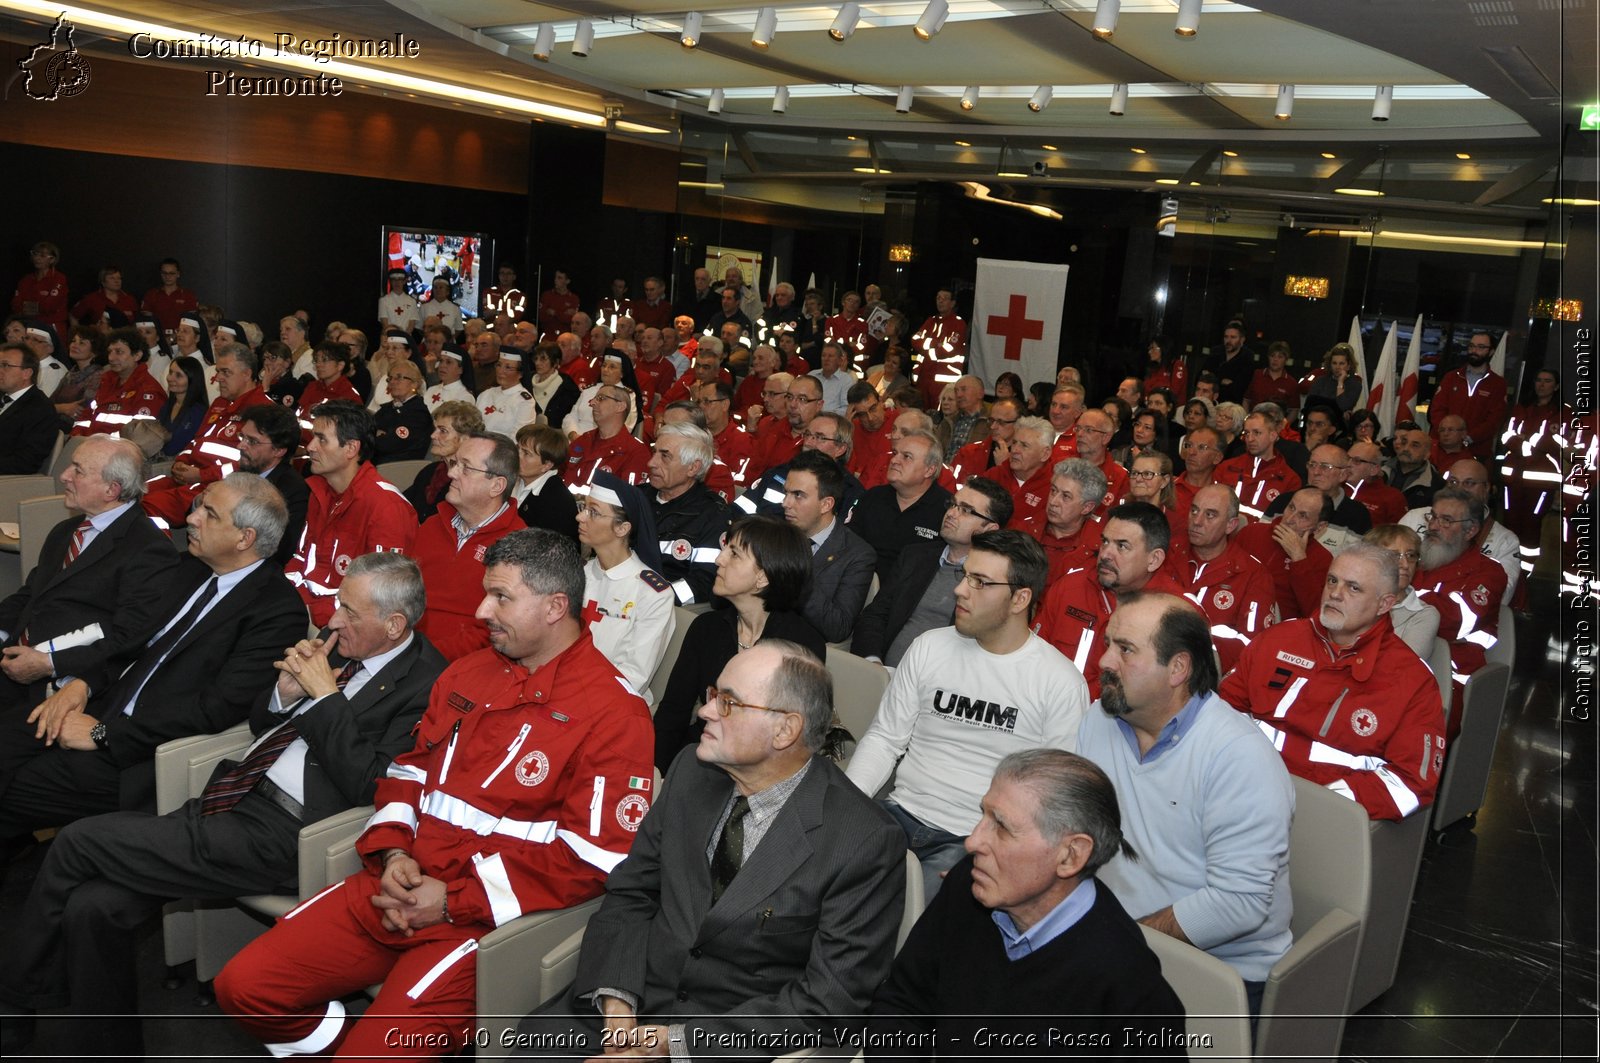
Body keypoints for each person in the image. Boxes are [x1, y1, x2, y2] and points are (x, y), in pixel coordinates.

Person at [217, 529, 654, 1059]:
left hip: (482, 919)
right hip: (400, 879)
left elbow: (595, 859)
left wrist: (452, 900)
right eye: (485, 592)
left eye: (502, 597)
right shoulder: (466, 673)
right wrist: (395, 849)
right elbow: (408, 769)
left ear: (555, 607)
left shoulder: (615, 713)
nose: (481, 610)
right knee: (244, 988)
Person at [0, 554, 445, 1056]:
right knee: (94, 905)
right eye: (338, 603)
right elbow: (260, 724)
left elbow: (372, 785)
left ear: (394, 624)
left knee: (79, 839)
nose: (333, 618)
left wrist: (324, 700)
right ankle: (107, 1044)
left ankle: (17, 1000)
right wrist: (284, 693)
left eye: (349, 611)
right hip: (233, 795)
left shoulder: (428, 685)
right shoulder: (343, 646)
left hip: (287, 832)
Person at [515, 639, 906, 1061]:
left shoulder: (864, 840)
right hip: (631, 1002)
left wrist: (671, 1044)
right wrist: (617, 1005)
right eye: (713, 695)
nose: (705, 711)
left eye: (730, 703)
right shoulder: (691, 771)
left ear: (785, 730)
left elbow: (829, 1003)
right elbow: (633, 892)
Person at [0, 473, 307, 829]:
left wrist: (103, 735)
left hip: (140, 755)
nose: (191, 519)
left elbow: (213, 710)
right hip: (100, 706)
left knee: (17, 789)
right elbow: (130, 642)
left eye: (210, 513)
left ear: (244, 538)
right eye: (198, 507)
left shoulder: (277, 612)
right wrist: (81, 684)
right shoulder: (189, 568)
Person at [865, 749, 1186, 1056]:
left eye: (1001, 827)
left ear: (1071, 855)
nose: (973, 841)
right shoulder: (971, 884)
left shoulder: (1129, 987)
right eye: (983, 815)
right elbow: (902, 1002)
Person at [1076, 593, 1293, 1013]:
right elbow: (1074, 825)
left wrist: (1121, 943)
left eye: (1125, 650)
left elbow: (1240, 903)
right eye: (1108, 644)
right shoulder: (1098, 721)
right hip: (1113, 936)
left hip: (1215, 967)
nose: (1104, 661)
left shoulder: (1239, 757)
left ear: (1177, 669)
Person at [847, 527, 1086, 897]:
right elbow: (884, 739)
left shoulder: (1059, 683)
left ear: (1020, 598)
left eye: (979, 582)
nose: (960, 590)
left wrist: (996, 854)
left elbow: (1051, 798)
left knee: (910, 917)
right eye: (965, 576)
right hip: (897, 813)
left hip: (973, 839)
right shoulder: (929, 647)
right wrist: (847, 805)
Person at [1221, 544, 1447, 820]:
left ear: (1385, 604)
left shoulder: (1412, 681)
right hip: (1239, 790)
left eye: (1354, 588)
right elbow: (1223, 713)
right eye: (1332, 581)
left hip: (1323, 821)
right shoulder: (1278, 638)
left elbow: (1413, 785)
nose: (1335, 594)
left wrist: (1327, 802)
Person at [0, 436, 182, 711]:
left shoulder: (149, 549)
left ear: (111, 489)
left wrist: (48, 663)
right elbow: (30, 595)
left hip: (59, 684)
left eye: (78, 470)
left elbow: (127, 638)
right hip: (13, 661)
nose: (63, 476)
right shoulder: (66, 530)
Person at [652, 517, 825, 771]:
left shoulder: (800, 647)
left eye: (734, 554)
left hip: (758, 772)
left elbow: (785, 743)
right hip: (702, 756)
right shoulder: (707, 628)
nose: (718, 560)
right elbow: (673, 712)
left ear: (763, 578)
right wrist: (655, 774)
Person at [852, 479, 1013, 667]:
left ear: (990, 529)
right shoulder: (915, 556)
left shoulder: (992, 581)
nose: (952, 513)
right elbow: (874, 616)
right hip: (884, 673)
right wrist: (873, 662)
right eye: (953, 504)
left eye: (966, 510)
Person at [285, 401, 420, 626]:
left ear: (351, 449)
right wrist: (284, 598)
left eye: (322, 439)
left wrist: (305, 612)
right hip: (302, 612)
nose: (310, 447)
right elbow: (301, 560)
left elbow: (379, 598)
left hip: (343, 627)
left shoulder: (386, 507)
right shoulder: (321, 491)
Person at [1033, 502, 1184, 699]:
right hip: (1048, 709)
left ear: (1154, 559)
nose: (1105, 554)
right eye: (1105, 541)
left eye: (1122, 546)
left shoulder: (1177, 613)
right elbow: (1032, 658)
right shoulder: (1069, 588)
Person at [412, 431, 526, 660]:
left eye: (466, 467)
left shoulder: (519, 547)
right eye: (454, 463)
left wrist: (420, 658)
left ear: (496, 486)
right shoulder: (432, 526)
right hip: (405, 650)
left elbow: (496, 634)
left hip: (458, 669)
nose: (451, 473)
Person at [576, 472, 676, 703]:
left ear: (622, 529)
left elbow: (634, 676)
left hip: (611, 704)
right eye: (584, 507)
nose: (580, 516)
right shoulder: (578, 573)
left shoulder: (652, 593)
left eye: (593, 512)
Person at [1414, 487, 1507, 727]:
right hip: (1402, 659)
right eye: (1433, 516)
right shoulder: (1415, 558)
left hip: (1450, 675)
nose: (1433, 526)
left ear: (1471, 530)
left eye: (1446, 520)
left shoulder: (1489, 572)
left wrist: (1402, 598)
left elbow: (1452, 621)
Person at [1181, 484, 1279, 673]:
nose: (1197, 521)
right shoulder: (1168, 556)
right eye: (1194, 510)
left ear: (1231, 525)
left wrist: (1193, 653)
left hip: (1210, 674)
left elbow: (1253, 645)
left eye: (1210, 515)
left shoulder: (1252, 574)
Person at [780, 451, 876, 644]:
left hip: (803, 651)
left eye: (798, 495)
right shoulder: (775, 533)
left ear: (826, 504)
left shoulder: (857, 555)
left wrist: (795, 570)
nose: (785, 503)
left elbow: (837, 628)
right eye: (786, 493)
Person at [1402, 458, 1521, 603]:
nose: (1459, 489)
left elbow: (1500, 598)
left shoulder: (1505, 541)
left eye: (1469, 483)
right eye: (1453, 482)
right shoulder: (1415, 517)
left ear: (1486, 488)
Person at [845, 427, 951, 583]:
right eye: (895, 453)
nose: (894, 460)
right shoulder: (872, 497)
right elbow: (848, 546)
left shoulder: (948, 510)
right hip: (860, 584)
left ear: (929, 470)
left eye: (906, 457)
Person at [646, 423, 731, 606]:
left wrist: (653, 599)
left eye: (665, 456)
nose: (651, 463)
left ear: (693, 468)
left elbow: (704, 583)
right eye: (654, 453)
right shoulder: (637, 497)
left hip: (665, 609)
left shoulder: (712, 515)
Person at [1234, 487, 1335, 620]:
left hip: (1279, 629)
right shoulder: (1251, 532)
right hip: (1232, 609)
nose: (1289, 519)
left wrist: (1299, 559)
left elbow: (1316, 614)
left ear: (1320, 526)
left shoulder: (1323, 559)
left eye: (1302, 516)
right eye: (1291, 507)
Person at [236, 402, 310, 567]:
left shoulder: (292, 491)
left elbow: (280, 552)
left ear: (279, 450)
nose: (241, 445)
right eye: (242, 437)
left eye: (252, 441)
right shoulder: (240, 473)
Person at [1025, 458, 1107, 586]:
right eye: (1053, 491)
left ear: (1087, 507)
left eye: (1066, 496)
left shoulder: (1101, 550)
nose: (1053, 502)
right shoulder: (1023, 530)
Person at [1364, 525, 1440, 660]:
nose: (1405, 564)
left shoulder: (1424, 614)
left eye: (1411, 555)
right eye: (1394, 555)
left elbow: (1400, 667)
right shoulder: (1352, 598)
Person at [1429, 331, 1507, 461]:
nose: (1474, 351)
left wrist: (1468, 438)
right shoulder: (1451, 377)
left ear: (1491, 352)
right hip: (1442, 449)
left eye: (1480, 347)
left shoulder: (1497, 383)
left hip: (1476, 450)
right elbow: (1437, 410)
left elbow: (1494, 420)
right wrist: (1447, 434)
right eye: (1471, 346)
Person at [72, 327, 165, 437]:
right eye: (110, 352)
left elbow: (140, 437)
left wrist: (97, 442)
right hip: (90, 444)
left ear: (137, 355)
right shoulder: (107, 382)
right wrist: (78, 435)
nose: (111, 358)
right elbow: (87, 416)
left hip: (118, 450)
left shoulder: (148, 391)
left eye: (119, 352)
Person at [1214, 406, 1302, 520]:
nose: (1250, 439)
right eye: (1247, 433)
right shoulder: (1226, 468)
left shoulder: (1290, 480)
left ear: (1273, 436)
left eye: (1257, 433)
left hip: (1260, 536)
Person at [402, 400, 482, 522]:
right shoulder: (430, 471)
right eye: (435, 429)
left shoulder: (469, 483)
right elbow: (401, 504)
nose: (433, 435)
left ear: (465, 438)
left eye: (443, 431)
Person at [564, 382, 650, 488]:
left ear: (620, 406)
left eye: (600, 398)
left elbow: (627, 500)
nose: (592, 403)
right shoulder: (583, 441)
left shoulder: (636, 453)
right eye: (593, 399)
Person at [980, 415, 1057, 530]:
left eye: (1024, 445)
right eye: (1015, 443)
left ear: (1045, 454)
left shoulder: (1054, 489)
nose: (1015, 450)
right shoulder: (994, 475)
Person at [0, 341, 59, 475]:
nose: (0, 370)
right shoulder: (3, 397)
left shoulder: (40, 408)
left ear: (26, 373)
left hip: (9, 482)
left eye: (5, 365)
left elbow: (26, 462)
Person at [514, 422, 578, 538]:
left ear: (547, 465)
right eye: (518, 448)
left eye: (526, 453)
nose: (517, 455)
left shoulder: (556, 501)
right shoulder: (514, 479)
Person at [950, 396, 1021, 484]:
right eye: (991, 420)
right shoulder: (969, 452)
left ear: (1018, 424)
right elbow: (951, 486)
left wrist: (1005, 467)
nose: (993, 427)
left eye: (1001, 422)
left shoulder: (1027, 459)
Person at [372, 359, 432, 462]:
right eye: (390, 378)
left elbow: (388, 445)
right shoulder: (387, 408)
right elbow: (364, 431)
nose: (392, 382)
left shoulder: (418, 414)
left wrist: (376, 434)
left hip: (397, 469)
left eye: (399, 378)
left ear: (415, 384)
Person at [11, 241, 69, 338]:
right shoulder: (26, 280)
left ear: (52, 259)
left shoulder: (59, 278)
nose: (37, 258)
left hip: (51, 326)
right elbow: (16, 306)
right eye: (35, 254)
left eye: (42, 255)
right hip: (29, 326)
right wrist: (37, 306)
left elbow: (49, 306)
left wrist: (27, 306)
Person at [155, 354, 209, 457]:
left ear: (192, 380)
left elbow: (175, 446)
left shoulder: (198, 412)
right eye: (170, 372)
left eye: (178, 375)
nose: (170, 378)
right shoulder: (167, 406)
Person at [1346, 440, 1410, 527]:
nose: (1348, 464)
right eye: (1347, 458)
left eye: (1357, 461)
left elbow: (1397, 534)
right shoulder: (1334, 487)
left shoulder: (1392, 497)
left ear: (1374, 469)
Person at [476, 349, 537, 438]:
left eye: (508, 367)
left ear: (520, 374)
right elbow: (472, 424)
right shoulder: (486, 394)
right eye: (499, 365)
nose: (500, 371)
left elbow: (518, 437)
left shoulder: (525, 401)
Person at [1388, 420, 1442, 510]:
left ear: (1426, 455)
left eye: (1414, 445)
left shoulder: (1437, 486)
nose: (1406, 448)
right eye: (1404, 442)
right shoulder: (1380, 472)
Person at [139, 258, 198, 337]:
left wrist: (175, 336)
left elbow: (191, 321)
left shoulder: (188, 295)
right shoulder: (151, 294)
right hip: (157, 339)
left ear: (178, 274)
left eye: (172, 273)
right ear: (161, 274)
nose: (168, 276)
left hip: (181, 339)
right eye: (164, 273)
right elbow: (147, 321)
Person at [1307, 343, 1363, 414]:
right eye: (1334, 363)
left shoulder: (1355, 385)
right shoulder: (1320, 381)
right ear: (1330, 365)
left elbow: (1342, 406)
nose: (1337, 367)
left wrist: (1340, 382)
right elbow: (1309, 404)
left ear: (1349, 366)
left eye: (1341, 363)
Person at [1212, 321, 1256, 406]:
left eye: (1233, 337)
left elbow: (1239, 389)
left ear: (1242, 340)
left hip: (1233, 406)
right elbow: (1200, 378)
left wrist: (1216, 380)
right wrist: (1222, 381)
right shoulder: (1215, 354)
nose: (1228, 341)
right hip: (1212, 403)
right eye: (1226, 337)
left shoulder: (1247, 360)